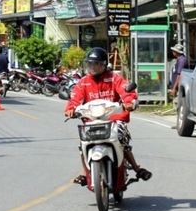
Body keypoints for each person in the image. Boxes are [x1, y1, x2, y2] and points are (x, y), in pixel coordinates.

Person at [64, 47, 151, 185]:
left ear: (103, 65)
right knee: (83, 144)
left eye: (96, 64)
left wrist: (129, 102)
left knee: (122, 140)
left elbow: (126, 91)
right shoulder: (84, 82)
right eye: (90, 64)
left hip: (114, 120)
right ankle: (85, 173)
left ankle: (136, 168)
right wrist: (70, 108)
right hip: (92, 120)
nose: (92, 67)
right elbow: (74, 98)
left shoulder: (113, 78)